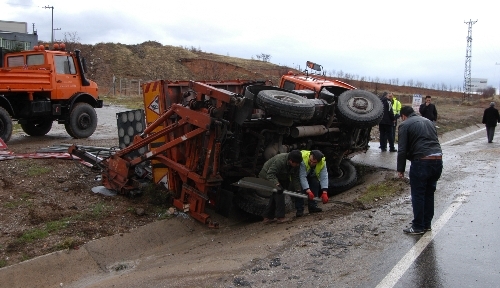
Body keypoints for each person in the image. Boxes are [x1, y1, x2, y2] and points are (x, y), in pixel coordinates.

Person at [397, 106, 443, 235]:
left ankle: (417, 226)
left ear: (403, 116)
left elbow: (402, 149)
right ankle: (427, 224)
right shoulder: (429, 121)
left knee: (418, 194)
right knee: (429, 193)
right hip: (437, 159)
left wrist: (400, 169)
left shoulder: (405, 124)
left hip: (422, 161)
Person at [259, 150, 302, 223]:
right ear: (291, 161)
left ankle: (267, 216)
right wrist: (277, 184)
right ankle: (280, 217)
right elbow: (270, 174)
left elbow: (295, 176)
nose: (298, 165)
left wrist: (298, 188)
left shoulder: (296, 164)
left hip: (281, 176)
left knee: (276, 194)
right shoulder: (280, 161)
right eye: (296, 163)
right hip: (268, 175)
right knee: (280, 193)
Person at [295, 150, 329, 217]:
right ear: (309, 156)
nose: (311, 163)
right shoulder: (303, 159)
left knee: (315, 182)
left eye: (314, 162)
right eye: (310, 161)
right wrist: (308, 191)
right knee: (299, 188)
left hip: (311, 174)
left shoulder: (322, 162)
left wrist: (325, 192)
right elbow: (302, 177)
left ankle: (313, 206)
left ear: (318, 162)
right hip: (299, 176)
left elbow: (324, 177)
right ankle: (299, 210)